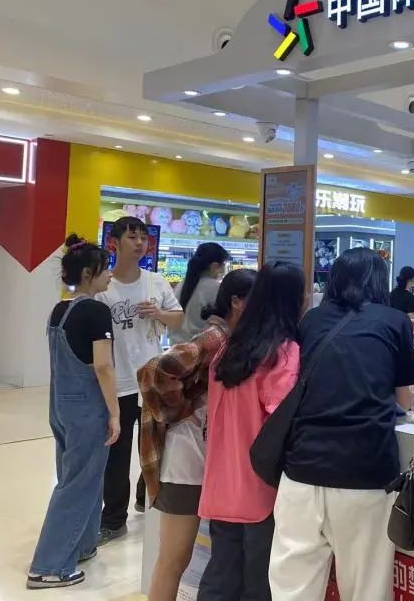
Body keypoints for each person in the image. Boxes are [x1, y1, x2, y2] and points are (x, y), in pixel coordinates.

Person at [268, 248, 414, 601]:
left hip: (301, 471)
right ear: (379, 281)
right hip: (365, 472)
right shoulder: (395, 320)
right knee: (365, 588)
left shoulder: (312, 320)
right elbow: (405, 401)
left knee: (292, 589)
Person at [138, 269, 257, 601]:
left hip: (198, 458)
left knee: (178, 559)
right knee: (174, 560)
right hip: (185, 460)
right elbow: (154, 370)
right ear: (237, 302)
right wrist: (181, 408)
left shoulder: (230, 339)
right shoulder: (216, 338)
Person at [197, 262, 305, 601]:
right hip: (261, 490)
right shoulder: (283, 352)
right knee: (259, 586)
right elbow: (281, 420)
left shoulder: (229, 349)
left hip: (220, 485)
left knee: (220, 579)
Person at [26, 235, 120, 589]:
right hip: (87, 409)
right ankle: (48, 566)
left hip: (61, 405)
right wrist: (114, 412)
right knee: (78, 484)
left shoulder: (59, 310)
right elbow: (103, 366)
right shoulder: (97, 312)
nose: (110, 275)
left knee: (81, 477)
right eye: (105, 269)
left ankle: (81, 544)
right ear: (87, 274)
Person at [96, 216, 184, 544]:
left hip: (150, 381)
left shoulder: (156, 282)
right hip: (117, 383)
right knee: (116, 456)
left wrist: (158, 314)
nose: (140, 243)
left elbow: (178, 319)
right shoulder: (104, 287)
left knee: (155, 448)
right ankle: (113, 518)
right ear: (114, 243)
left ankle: (146, 500)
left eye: (143, 238)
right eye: (132, 237)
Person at [171, 242, 230, 344]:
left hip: (176, 346)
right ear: (215, 266)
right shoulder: (215, 287)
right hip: (200, 348)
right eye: (223, 264)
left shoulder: (181, 285)